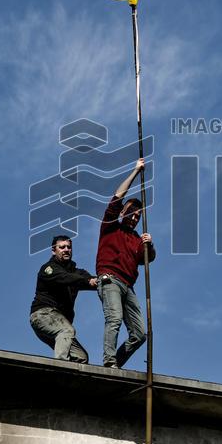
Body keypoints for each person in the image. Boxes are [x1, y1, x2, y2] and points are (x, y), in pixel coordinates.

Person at [96, 158, 155, 368]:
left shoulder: (136, 238)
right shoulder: (111, 225)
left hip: (128, 286)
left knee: (140, 334)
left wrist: (149, 244)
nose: (134, 217)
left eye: (138, 216)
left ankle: (116, 363)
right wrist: (135, 171)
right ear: (122, 212)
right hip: (110, 279)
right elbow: (118, 196)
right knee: (114, 319)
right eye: (131, 212)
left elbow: (147, 258)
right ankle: (109, 361)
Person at [30, 235, 98, 363]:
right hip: (43, 315)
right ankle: (60, 369)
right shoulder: (48, 269)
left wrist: (101, 280)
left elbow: (91, 280)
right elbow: (65, 278)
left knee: (81, 357)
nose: (66, 249)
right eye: (62, 247)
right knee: (66, 330)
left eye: (69, 247)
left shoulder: (77, 272)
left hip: (59, 322)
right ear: (53, 250)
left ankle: (71, 381)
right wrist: (86, 280)